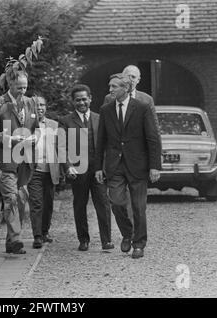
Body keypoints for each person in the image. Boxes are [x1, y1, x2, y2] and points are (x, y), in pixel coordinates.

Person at [96, 73, 162, 259]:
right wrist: (98, 167)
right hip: (115, 165)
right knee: (116, 202)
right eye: (110, 86)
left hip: (138, 165)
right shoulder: (106, 109)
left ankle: (139, 244)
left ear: (125, 88)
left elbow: (152, 137)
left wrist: (154, 166)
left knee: (139, 207)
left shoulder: (142, 107)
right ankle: (128, 233)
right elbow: (101, 141)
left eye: (114, 87)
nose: (110, 90)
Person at [59, 84, 114, 252]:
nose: (81, 102)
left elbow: (108, 145)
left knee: (103, 204)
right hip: (78, 171)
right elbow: (62, 147)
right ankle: (83, 240)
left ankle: (107, 240)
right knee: (80, 205)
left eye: (84, 99)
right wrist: (68, 167)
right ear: (72, 102)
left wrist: (104, 168)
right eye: (78, 100)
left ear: (90, 98)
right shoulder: (66, 121)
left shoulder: (100, 118)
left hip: (98, 171)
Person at [0, 70, 39, 254]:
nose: (22, 91)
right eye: (19, 88)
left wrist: (35, 138)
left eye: (25, 87)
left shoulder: (30, 103)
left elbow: (37, 128)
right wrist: (10, 140)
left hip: (26, 161)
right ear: (9, 84)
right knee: (10, 198)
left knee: (19, 201)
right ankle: (17, 238)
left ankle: (11, 241)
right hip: (5, 161)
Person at [27, 95, 61, 248]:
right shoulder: (27, 125)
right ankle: (37, 236)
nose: (39, 108)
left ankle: (45, 231)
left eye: (42, 105)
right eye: (36, 105)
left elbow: (60, 148)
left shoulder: (54, 125)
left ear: (46, 107)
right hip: (34, 171)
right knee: (36, 203)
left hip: (51, 171)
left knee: (48, 204)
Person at [103, 65, 160, 130]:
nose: (130, 80)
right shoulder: (110, 98)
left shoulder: (147, 99)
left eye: (133, 77)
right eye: (127, 77)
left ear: (138, 80)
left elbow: (154, 125)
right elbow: (105, 123)